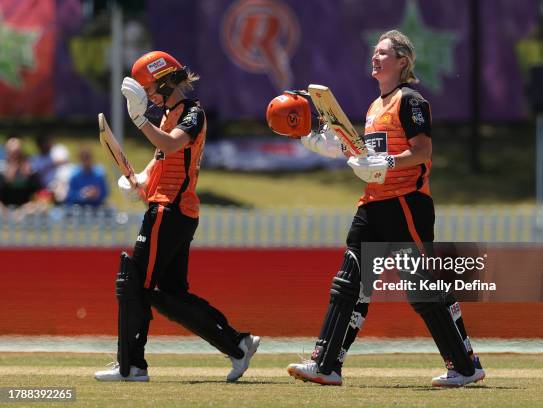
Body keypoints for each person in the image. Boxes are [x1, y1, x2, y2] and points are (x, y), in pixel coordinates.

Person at [269, 30, 485, 387]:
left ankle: (464, 366)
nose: (375, 57)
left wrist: (386, 161)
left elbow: (422, 152)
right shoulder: (373, 108)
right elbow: (362, 154)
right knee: (348, 285)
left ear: (403, 61)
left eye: (383, 53)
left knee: (422, 289)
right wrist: (316, 140)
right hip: (372, 204)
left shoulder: (410, 100)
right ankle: (326, 365)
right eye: (374, 52)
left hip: (405, 204)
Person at [94, 51, 259, 382]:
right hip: (172, 210)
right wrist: (135, 180)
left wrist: (141, 121)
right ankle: (238, 344)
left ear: (167, 81)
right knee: (168, 295)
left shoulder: (191, 114)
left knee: (133, 283)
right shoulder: (169, 117)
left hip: (170, 211)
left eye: (150, 89)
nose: (149, 97)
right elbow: (157, 166)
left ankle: (132, 366)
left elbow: (170, 146)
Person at [0, 137, 47, 218]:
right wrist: (6, 180)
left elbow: (41, 193)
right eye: (11, 153)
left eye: (17, 153)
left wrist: (28, 177)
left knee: (42, 206)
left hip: (26, 209)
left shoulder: (31, 169)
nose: (14, 156)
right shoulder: (2, 169)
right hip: (4, 209)